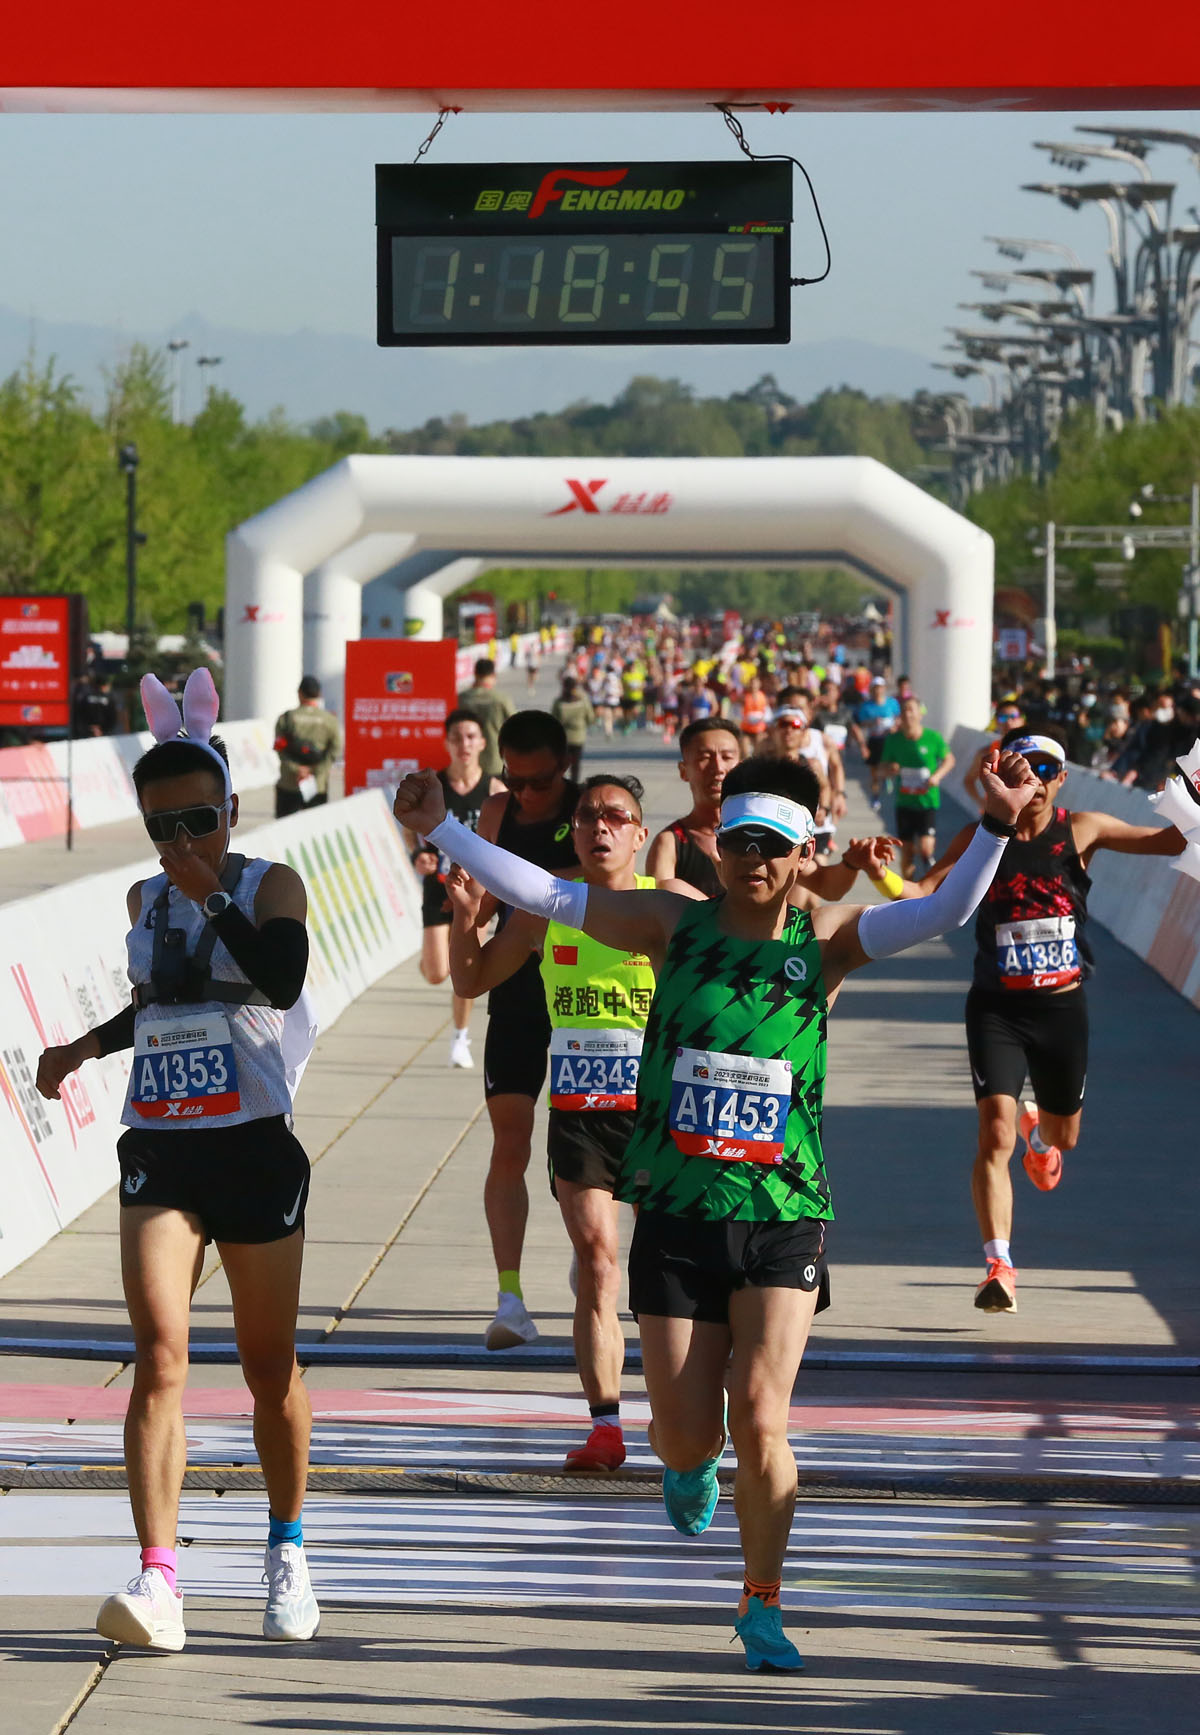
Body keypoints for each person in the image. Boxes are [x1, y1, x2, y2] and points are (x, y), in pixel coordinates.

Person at [395, 743, 1037, 1673]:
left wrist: (995, 826)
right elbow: (544, 896)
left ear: (801, 849)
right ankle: (687, 1461)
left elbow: (943, 910)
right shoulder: (671, 923)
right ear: (721, 844)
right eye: (740, 840)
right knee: (689, 1430)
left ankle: (763, 1601)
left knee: (764, 1417)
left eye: (775, 846)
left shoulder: (828, 941)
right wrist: (440, 826)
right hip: (680, 1216)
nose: (755, 860)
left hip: (784, 1215)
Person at [35, 670, 319, 1652]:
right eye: (163, 827)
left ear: (231, 809)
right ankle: (160, 1576)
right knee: (159, 1355)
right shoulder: (141, 895)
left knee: (267, 1366)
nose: (181, 843)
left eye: (197, 819)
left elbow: (279, 982)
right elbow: (160, 1003)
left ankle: (286, 1546)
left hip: (252, 1145)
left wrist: (216, 896)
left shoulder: (268, 883)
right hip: (161, 1138)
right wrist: (83, 1048)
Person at [887, 724, 1186, 1313]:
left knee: (1062, 1138)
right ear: (1005, 775)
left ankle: (1039, 1133)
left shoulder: (1081, 828)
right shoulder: (982, 836)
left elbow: (1170, 842)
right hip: (996, 1007)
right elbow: (921, 890)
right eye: (1024, 769)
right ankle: (999, 1264)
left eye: (1047, 771)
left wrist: (1189, 793)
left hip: (1061, 1009)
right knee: (991, 1135)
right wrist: (875, 872)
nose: (1036, 781)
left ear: (1062, 779)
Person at [449, 773, 685, 1470]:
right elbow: (471, 979)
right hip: (581, 1115)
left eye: (617, 816)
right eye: (587, 816)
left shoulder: (677, 908)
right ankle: (607, 1426)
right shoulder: (547, 909)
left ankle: (679, 1418)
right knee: (597, 1262)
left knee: (669, 1276)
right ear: (573, 832)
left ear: (640, 834)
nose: (600, 826)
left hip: (664, 1116)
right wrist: (466, 918)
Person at [470, 710, 581, 1348]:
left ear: (563, 768)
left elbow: (610, 881)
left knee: (577, 1147)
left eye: (540, 783)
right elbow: (487, 899)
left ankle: (584, 1248)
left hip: (580, 989)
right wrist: (466, 902)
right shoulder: (496, 812)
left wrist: (535, 886)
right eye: (516, 780)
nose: (527, 794)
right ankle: (509, 1297)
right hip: (515, 984)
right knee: (510, 1141)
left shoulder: (593, 809)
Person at [401, 710, 502, 1069]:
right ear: (447, 742)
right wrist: (417, 854)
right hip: (437, 885)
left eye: (472, 737)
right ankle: (430, 959)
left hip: (475, 892)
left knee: (464, 972)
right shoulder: (433, 786)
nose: (465, 744)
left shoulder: (494, 789)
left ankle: (460, 1037)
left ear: (483, 743)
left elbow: (504, 839)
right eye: (457, 737)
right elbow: (408, 823)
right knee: (435, 973)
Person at [878, 695, 955, 878]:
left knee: (926, 849)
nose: (908, 714)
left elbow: (949, 760)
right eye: (904, 710)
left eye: (912, 710)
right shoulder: (893, 740)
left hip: (926, 801)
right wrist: (890, 768)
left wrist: (937, 776)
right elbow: (881, 769)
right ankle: (908, 894)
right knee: (907, 852)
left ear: (920, 714)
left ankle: (930, 886)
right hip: (904, 803)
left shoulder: (932, 737)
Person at [273, 675, 342, 819]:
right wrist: (315, 770)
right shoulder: (330, 720)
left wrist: (296, 769)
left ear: (299, 693)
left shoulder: (286, 718)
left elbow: (279, 749)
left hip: (289, 784)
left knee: (285, 831)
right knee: (316, 827)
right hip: (317, 784)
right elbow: (335, 749)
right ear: (319, 695)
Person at [456, 658, 514, 779]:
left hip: (466, 761)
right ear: (493, 675)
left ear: (475, 674)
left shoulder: (460, 699)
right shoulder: (500, 699)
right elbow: (518, 726)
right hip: (494, 762)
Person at [963, 697, 1025, 809]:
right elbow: (968, 780)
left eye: (1013, 717)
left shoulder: (1032, 751)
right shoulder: (987, 753)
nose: (1008, 722)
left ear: (1022, 720)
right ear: (996, 722)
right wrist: (981, 802)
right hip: (995, 815)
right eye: (1003, 717)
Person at [850, 676, 901, 810]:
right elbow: (861, 723)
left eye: (880, 688)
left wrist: (895, 727)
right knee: (874, 773)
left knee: (893, 767)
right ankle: (875, 797)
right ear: (872, 690)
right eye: (875, 688)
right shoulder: (866, 706)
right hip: (874, 740)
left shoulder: (892, 703)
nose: (878, 691)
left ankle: (887, 779)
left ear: (884, 689)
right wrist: (873, 722)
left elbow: (899, 718)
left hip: (890, 740)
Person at [552, 674, 597, 779]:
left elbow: (553, 719)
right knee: (576, 763)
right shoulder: (582, 701)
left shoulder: (558, 702)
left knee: (562, 764)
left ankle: (560, 785)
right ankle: (575, 784)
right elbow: (590, 717)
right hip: (578, 736)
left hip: (562, 737)